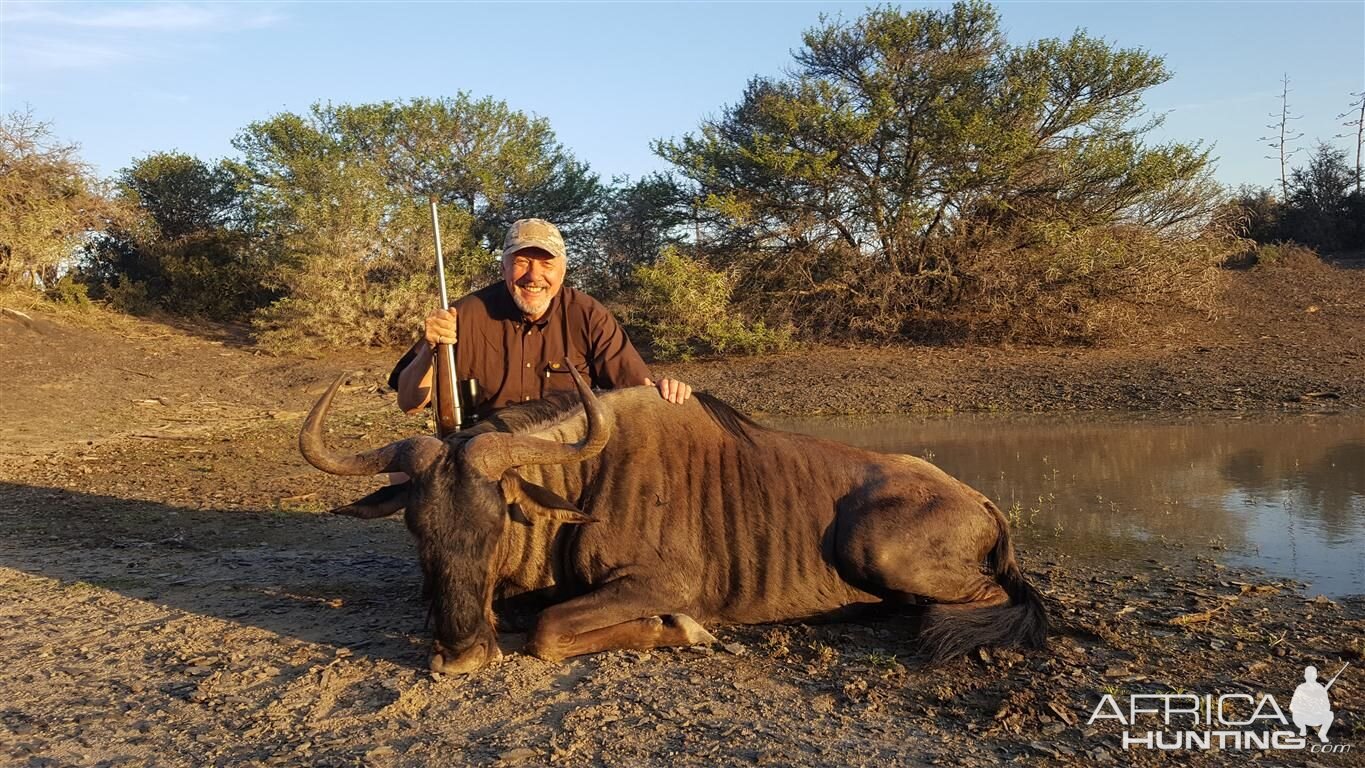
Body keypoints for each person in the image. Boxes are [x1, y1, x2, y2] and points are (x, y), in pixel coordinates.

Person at [389, 217, 691, 424]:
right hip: (485, 455)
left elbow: (637, 392)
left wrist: (665, 390)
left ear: (563, 269)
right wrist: (430, 350)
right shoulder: (464, 314)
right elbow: (409, 403)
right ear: (504, 266)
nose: (534, 277)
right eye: (522, 262)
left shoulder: (588, 315)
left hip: (565, 456)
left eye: (546, 264)